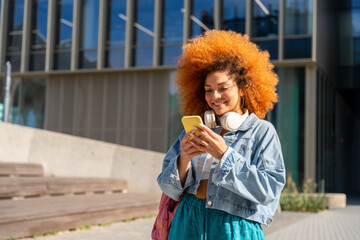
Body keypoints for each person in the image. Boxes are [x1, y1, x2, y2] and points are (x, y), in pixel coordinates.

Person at [157, 30, 286, 240]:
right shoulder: (196, 129)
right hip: (187, 221)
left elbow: (269, 190)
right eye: (208, 90)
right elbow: (166, 187)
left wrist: (225, 155)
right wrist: (185, 159)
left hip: (234, 226)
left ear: (243, 89)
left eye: (223, 88)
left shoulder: (262, 131)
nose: (214, 96)